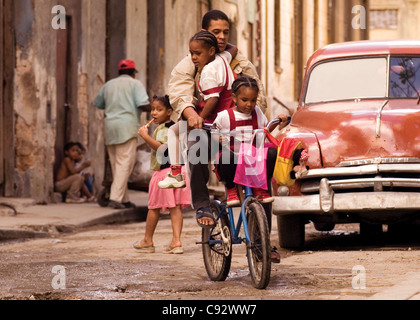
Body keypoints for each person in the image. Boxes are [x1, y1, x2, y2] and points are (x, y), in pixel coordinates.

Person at [167, 10, 268, 228]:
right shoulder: (190, 63)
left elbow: (258, 93)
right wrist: (192, 114)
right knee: (197, 145)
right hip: (209, 127)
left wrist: (258, 120)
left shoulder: (238, 61)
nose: (222, 36)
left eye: (225, 32)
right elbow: (179, 92)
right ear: (205, 33)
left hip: (240, 130)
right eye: (216, 32)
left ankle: (263, 243)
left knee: (262, 171)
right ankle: (203, 203)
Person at [214, 76, 307, 263]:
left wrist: (278, 124)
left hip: (252, 164)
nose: (249, 105)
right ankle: (232, 189)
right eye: (244, 100)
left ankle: (261, 191)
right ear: (234, 98)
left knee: (271, 152)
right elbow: (214, 134)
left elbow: (263, 133)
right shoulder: (225, 117)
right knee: (225, 155)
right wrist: (218, 139)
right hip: (233, 164)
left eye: (253, 100)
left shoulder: (257, 113)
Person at [158, 30, 237, 189]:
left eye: (197, 53)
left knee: (174, 131)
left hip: (214, 122)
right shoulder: (223, 59)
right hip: (229, 118)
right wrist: (216, 41)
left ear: (211, 51)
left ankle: (176, 174)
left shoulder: (208, 71)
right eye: (191, 53)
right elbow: (233, 49)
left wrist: (200, 117)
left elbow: (213, 98)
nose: (193, 58)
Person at [133, 95, 191, 254]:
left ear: (169, 112)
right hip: (178, 170)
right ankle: (176, 242)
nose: (154, 113)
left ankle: (147, 241)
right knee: (175, 207)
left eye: (159, 109)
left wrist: (145, 137)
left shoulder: (166, 129)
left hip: (164, 172)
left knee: (153, 208)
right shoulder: (174, 127)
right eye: (152, 109)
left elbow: (162, 149)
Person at [94, 59, 150, 209]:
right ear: (133, 73)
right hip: (127, 126)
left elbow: (98, 103)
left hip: (110, 127)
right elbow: (143, 104)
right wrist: (158, 107)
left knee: (116, 165)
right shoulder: (135, 84)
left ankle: (123, 199)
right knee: (125, 165)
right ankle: (116, 199)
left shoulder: (108, 85)